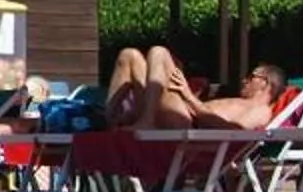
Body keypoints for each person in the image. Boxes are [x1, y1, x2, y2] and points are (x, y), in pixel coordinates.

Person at [108, 46, 284, 130]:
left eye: (251, 77)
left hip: (187, 126)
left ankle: (147, 120)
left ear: (265, 82)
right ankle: (108, 119)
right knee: (129, 56)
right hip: (181, 113)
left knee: (160, 53)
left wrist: (188, 97)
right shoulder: (239, 102)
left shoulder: (261, 110)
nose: (245, 80)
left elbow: (235, 132)